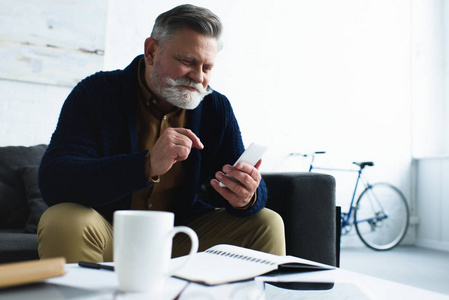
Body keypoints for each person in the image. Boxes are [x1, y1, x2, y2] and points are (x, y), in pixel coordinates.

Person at [37, 4, 286, 263]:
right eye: (187, 61)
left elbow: (231, 179)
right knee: (62, 220)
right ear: (152, 52)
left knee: (267, 222)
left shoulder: (215, 107)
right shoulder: (97, 92)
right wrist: (146, 165)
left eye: (207, 67)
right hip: (108, 233)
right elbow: (55, 180)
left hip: (179, 237)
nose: (199, 77)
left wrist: (248, 196)